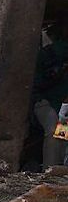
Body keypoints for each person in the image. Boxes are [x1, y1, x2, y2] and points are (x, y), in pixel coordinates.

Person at [33, 18, 68, 166]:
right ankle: (51, 172)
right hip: (47, 102)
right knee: (57, 132)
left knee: (61, 133)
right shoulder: (50, 54)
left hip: (62, 106)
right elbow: (39, 83)